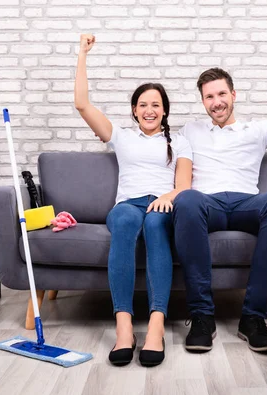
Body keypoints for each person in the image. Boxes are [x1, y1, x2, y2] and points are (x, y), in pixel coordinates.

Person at [173, 40, 267, 354]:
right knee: (186, 200)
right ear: (203, 102)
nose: (216, 102)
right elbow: (156, 145)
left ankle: (253, 317)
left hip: (246, 204)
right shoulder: (190, 130)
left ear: (233, 95)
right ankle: (201, 316)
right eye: (209, 97)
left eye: (221, 94)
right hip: (205, 204)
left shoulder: (256, 130)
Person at [75, 34, 193, 367]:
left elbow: (183, 185)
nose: (149, 109)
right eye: (143, 104)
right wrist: (82, 55)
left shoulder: (180, 142)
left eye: (156, 104)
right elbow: (83, 105)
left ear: (165, 110)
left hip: (162, 204)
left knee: (156, 224)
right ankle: (124, 328)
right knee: (127, 221)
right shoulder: (121, 137)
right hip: (127, 205)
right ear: (134, 110)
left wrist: (167, 198)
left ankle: (155, 326)